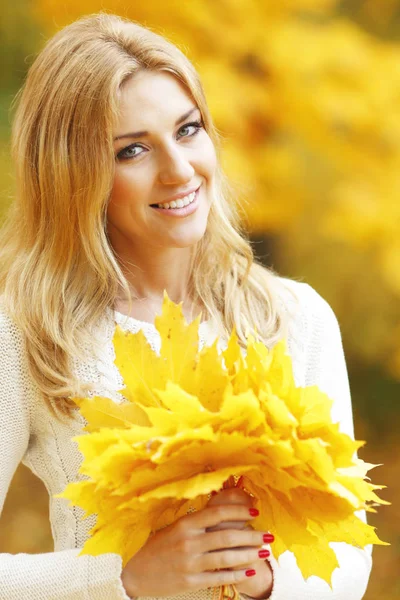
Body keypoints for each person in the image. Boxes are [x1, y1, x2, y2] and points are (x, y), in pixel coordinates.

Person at [0, 12, 372, 600]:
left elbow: (348, 550)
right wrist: (119, 578)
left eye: (188, 129)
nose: (179, 170)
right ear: (74, 174)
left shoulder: (295, 319)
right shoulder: (29, 333)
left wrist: (264, 578)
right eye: (132, 151)